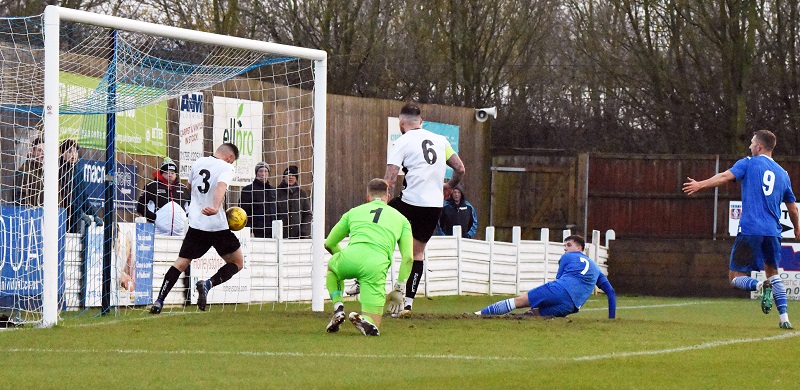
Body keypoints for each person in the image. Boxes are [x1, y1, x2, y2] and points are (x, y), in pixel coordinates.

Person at [683, 129, 799, 329]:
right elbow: (793, 208)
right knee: (774, 273)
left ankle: (761, 286)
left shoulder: (748, 162)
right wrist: (797, 228)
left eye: (752, 143)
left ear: (759, 146)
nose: (749, 146)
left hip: (751, 230)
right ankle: (784, 318)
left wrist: (701, 184)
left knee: (735, 277)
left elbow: (725, 176)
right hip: (773, 232)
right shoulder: (783, 174)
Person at [381, 102, 466, 317]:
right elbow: (460, 168)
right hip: (433, 206)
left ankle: (361, 280)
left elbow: (390, 177)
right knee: (417, 253)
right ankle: (407, 303)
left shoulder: (402, 141)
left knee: (377, 229)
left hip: (409, 202)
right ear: (421, 122)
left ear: (401, 122)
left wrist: (382, 200)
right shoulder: (440, 140)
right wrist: (449, 186)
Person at [150, 143, 243, 314]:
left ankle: (159, 301)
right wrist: (215, 207)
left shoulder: (198, 163)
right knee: (237, 263)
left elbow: (189, 188)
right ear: (230, 158)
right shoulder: (227, 168)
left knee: (180, 263)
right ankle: (208, 283)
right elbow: (221, 186)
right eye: (232, 161)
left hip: (196, 225)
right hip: (217, 226)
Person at [324, 178, 413, 336]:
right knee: (374, 325)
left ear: (367, 197)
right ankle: (364, 319)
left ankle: (338, 306)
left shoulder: (353, 212)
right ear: (389, 196)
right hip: (375, 265)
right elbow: (408, 258)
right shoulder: (402, 219)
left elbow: (329, 243)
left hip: (350, 256)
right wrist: (399, 289)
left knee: (332, 267)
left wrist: (345, 258)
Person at [476, 235, 616, 319]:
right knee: (533, 315)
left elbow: (559, 278)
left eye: (568, 245)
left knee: (520, 301)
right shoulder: (596, 269)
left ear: (579, 248)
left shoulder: (567, 257)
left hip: (559, 289)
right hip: (570, 306)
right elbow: (610, 292)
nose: (565, 249)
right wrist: (611, 318)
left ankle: (478, 314)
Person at [136, 158, 191, 236]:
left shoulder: (183, 188)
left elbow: (191, 208)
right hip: (157, 232)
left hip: (180, 233)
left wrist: (185, 219)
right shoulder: (151, 186)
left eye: (172, 172)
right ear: (161, 173)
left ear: (176, 174)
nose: (170, 175)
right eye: (167, 172)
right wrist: (154, 218)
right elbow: (140, 207)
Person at [239, 161, 277, 238]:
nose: (263, 174)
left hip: (272, 232)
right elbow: (243, 212)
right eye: (260, 171)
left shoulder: (273, 190)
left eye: (265, 171)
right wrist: (249, 230)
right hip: (256, 232)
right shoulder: (248, 190)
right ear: (256, 173)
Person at [276, 165, 312, 239]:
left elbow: (307, 214)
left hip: (297, 236)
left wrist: (304, 232)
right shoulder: (276, 192)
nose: (291, 177)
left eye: (293, 175)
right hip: (280, 235)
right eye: (288, 175)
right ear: (284, 177)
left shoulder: (302, 193)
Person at [14, 136, 44, 206]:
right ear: (33, 151)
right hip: (33, 215)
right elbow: (20, 199)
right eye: (40, 150)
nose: (43, 154)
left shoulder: (48, 173)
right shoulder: (23, 171)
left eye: (46, 151)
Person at [59, 139, 80, 232]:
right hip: (62, 215)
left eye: (75, 152)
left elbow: (83, 195)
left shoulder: (76, 171)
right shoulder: (59, 171)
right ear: (62, 153)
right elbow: (65, 196)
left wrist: (94, 214)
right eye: (69, 151)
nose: (73, 155)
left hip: (75, 216)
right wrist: (81, 213)